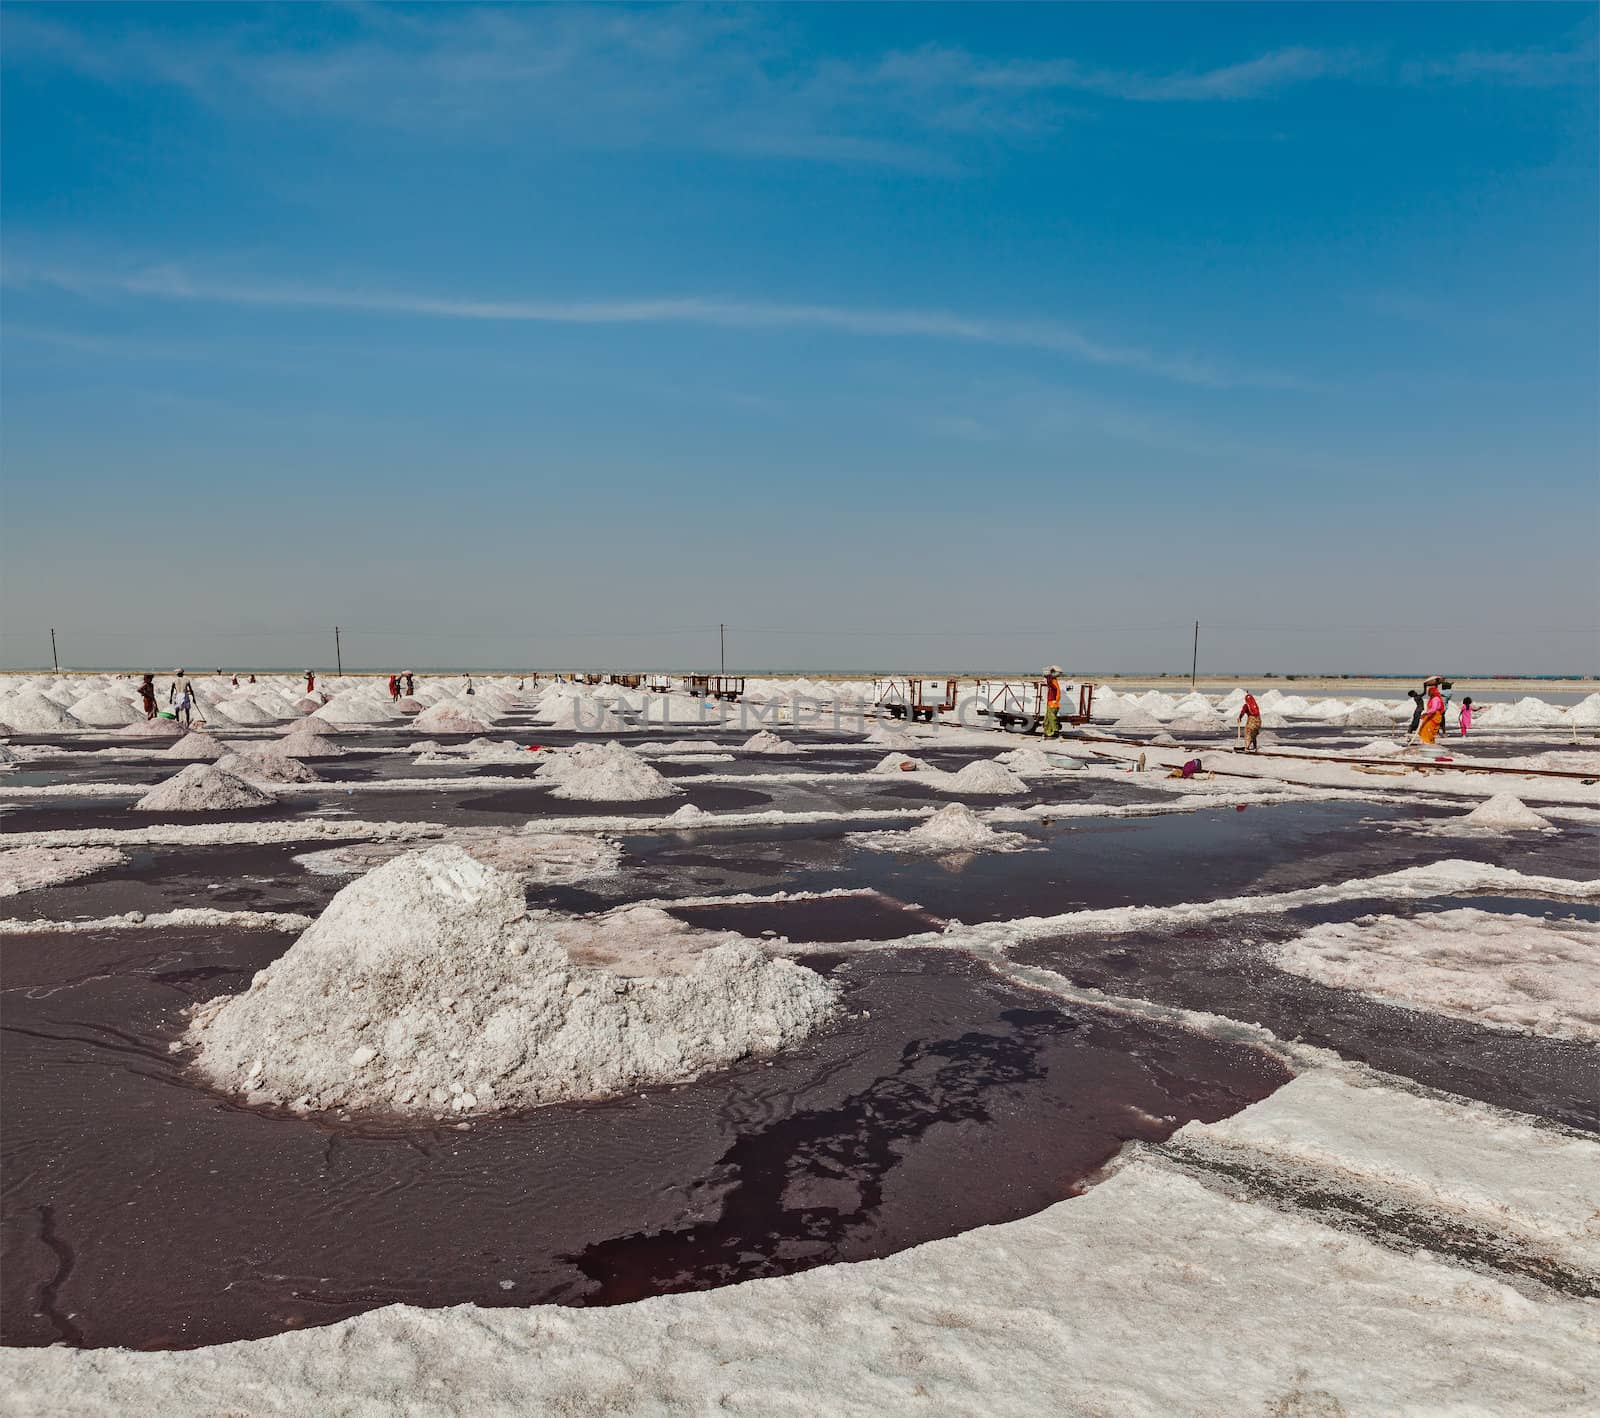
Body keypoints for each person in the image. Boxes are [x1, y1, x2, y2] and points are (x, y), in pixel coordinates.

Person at [1040, 666, 1063, 739]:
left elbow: (1050, 683)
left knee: (1051, 718)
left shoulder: (1053, 683)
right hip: (1052, 703)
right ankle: (1048, 732)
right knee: (1047, 719)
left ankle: (1054, 731)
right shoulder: (1054, 682)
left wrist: (1048, 676)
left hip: (1053, 704)